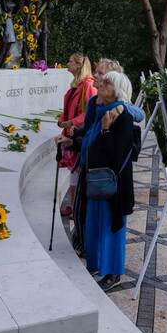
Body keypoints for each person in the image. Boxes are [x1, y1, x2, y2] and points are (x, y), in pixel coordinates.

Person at [69, 58, 144, 256]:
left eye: (103, 76)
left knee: (105, 218)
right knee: (85, 211)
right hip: (89, 163)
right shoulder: (96, 103)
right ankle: (85, 246)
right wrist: (73, 136)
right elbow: (89, 130)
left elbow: (116, 148)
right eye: (98, 74)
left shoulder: (120, 111)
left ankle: (90, 251)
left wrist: (107, 127)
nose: (97, 79)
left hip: (105, 174)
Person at [82, 71, 137, 291]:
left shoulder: (122, 117)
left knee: (111, 227)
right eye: (102, 82)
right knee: (95, 222)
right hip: (97, 180)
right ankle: (96, 264)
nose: (100, 85)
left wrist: (105, 131)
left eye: (106, 83)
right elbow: (90, 140)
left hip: (114, 186)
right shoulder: (100, 111)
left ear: (117, 91)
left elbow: (117, 155)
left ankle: (113, 273)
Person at [57, 53, 97, 217]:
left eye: (70, 61)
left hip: (78, 135)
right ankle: (74, 207)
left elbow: (89, 112)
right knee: (73, 173)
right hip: (70, 132)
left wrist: (72, 122)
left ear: (78, 66)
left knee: (78, 173)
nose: (67, 63)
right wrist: (62, 120)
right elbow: (68, 107)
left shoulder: (88, 86)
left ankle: (77, 208)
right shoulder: (76, 85)